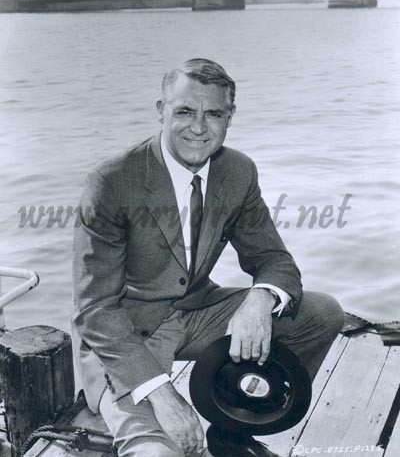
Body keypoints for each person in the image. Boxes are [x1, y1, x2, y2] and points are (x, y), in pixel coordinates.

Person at [72, 58, 344, 457]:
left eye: (213, 114)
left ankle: (234, 427)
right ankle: (123, 410)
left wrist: (260, 298)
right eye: (185, 111)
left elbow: (275, 259)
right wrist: (163, 394)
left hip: (198, 310)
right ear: (161, 110)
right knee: (159, 453)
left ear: (229, 117)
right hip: (127, 334)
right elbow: (95, 310)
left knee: (321, 313)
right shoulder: (112, 182)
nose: (199, 128)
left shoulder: (238, 171)